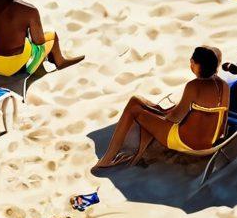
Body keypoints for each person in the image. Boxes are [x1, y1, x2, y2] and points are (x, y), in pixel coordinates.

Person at [93, 46, 229, 169]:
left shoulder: (194, 86)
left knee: (134, 108)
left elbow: (174, 117)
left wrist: (157, 112)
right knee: (144, 106)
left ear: (199, 65)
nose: (191, 64)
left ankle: (107, 159)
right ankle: (137, 152)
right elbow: (224, 119)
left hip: (185, 142)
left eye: (193, 62)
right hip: (209, 143)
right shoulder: (224, 86)